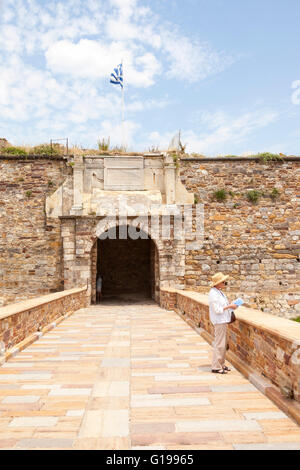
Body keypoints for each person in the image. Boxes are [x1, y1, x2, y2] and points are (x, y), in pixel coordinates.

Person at [208, 272, 238, 375]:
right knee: (219, 344)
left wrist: (231, 304)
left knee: (223, 344)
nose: (225, 283)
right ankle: (216, 366)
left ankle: (221, 364)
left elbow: (222, 305)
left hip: (223, 320)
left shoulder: (219, 292)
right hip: (219, 321)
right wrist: (230, 307)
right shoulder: (213, 293)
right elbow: (217, 310)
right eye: (223, 282)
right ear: (218, 283)